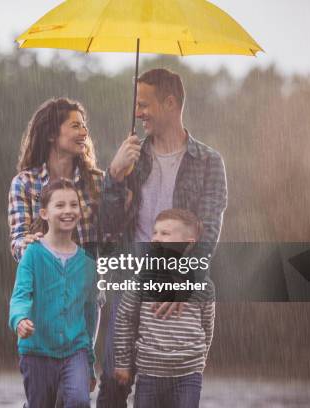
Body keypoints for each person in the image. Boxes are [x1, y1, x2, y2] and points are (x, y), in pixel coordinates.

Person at [97, 68, 227, 407]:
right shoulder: (131, 157)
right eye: (137, 105)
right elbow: (107, 224)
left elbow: (208, 230)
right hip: (130, 281)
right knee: (113, 385)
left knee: (173, 392)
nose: (138, 113)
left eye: (144, 105)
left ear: (170, 103)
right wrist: (113, 176)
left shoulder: (209, 162)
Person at [9, 178, 98, 408]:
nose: (68, 211)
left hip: (74, 351)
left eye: (73, 204)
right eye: (60, 205)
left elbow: (89, 316)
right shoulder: (32, 254)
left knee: (79, 401)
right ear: (44, 213)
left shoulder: (88, 265)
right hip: (36, 350)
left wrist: (89, 363)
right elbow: (20, 295)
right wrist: (20, 319)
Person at [113, 209, 215, 408]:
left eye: (165, 233)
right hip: (150, 372)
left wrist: (201, 358)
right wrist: (122, 362)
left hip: (188, 373)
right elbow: (124, 317)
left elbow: (207, 325)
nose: (156, 238)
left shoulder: (203, 284)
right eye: (155, 232)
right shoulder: (142, 278)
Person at [8, 97, 105, 262]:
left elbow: (111, 236)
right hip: (46, 283)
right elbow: (18, 241)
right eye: (76, 126)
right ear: (51, 134)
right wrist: (29, 246)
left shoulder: (98, 181)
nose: (84, 132)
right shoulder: (24, 183)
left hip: (90, 284)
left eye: (84, 126)